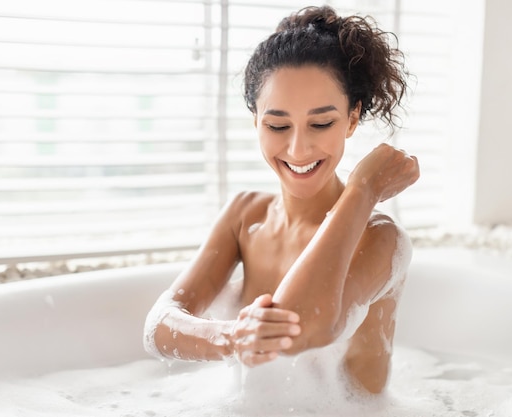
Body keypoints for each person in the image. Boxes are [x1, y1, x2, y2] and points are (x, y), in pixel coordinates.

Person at [143, 5, 419, 395]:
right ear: (255, 119)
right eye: (277, 125)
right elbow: (159, 327)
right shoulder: (245, 215)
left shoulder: (380, 238)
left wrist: (363, 190)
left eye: (322, 123)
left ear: (353, 119)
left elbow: (302, 327)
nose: (298, 148)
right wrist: (233, 337)